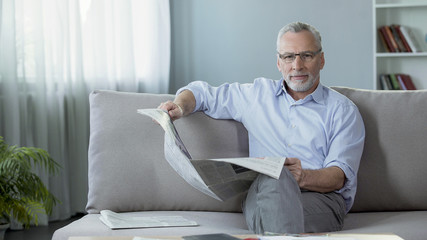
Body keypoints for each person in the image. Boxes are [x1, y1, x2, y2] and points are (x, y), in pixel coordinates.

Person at [158, 22, 365, 234]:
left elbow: (339, 176)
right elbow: (200, 93)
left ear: (321, 60)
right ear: (278, 62)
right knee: (275, 180)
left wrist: (301, 176)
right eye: (288, 57)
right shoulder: (256, 96)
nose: (297, 65)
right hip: (262, 194)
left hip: (320, 200)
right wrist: (180, 107)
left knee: (278, 191)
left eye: (307, 55)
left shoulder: (343, 110)